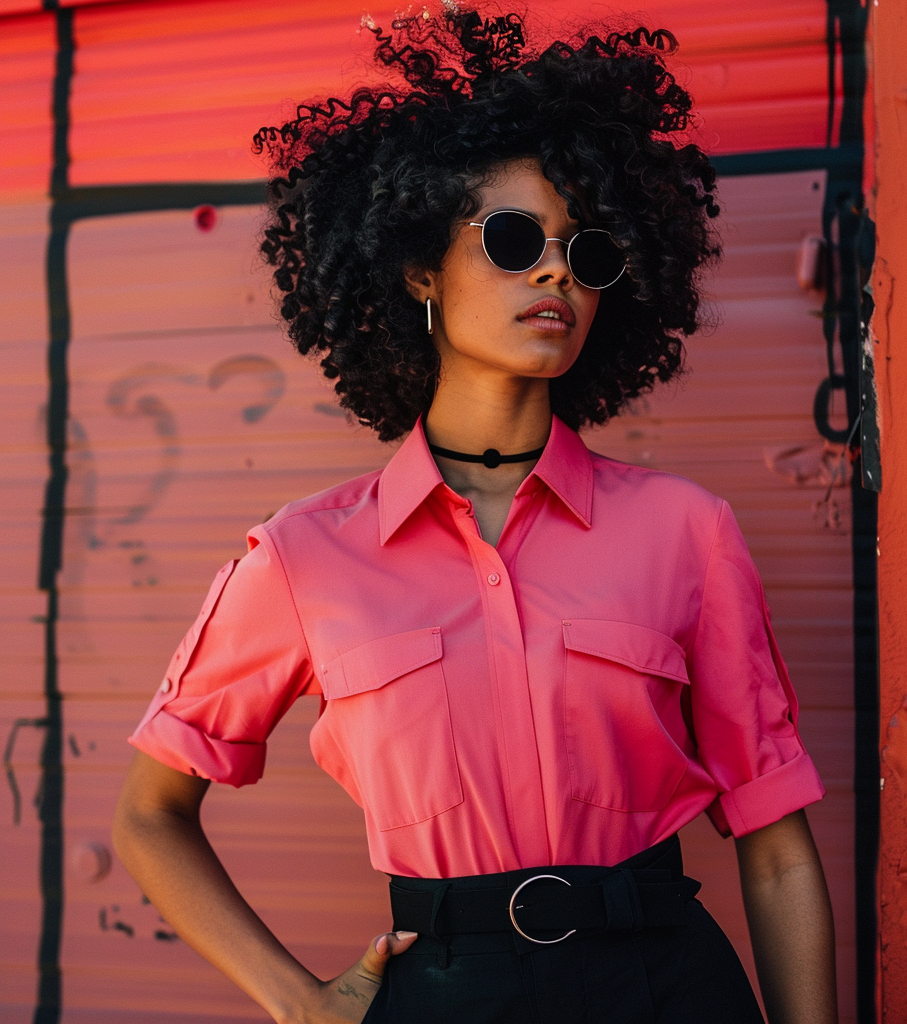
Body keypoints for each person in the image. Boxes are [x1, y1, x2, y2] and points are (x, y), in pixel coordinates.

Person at [113, 9, 838, 1024]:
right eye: (511, 239)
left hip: (668, 986)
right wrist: (300, 1003)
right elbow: (151, 814)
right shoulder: (301, 557)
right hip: (444, 993)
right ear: (419, 268)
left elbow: (773, 848)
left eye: (585, 253)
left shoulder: (687, 532)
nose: (554, 273)